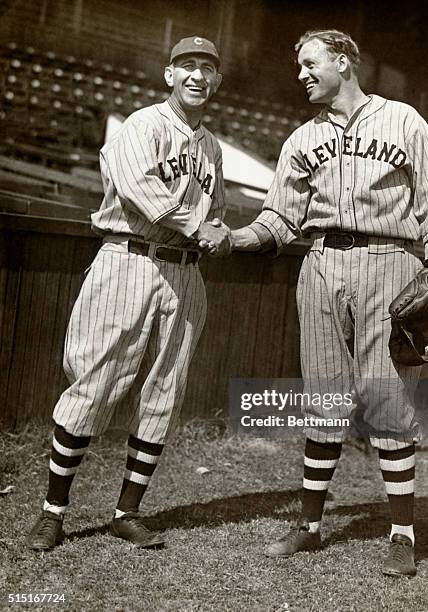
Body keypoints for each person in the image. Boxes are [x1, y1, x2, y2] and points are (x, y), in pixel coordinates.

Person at [231, 29, 428, 576]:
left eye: (310, 62)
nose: (301, 73)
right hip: (322, 261)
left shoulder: (404, 121)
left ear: (343, 60)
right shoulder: (300, 139)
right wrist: (235, 238)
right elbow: (281, 218)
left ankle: (402, 534)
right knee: (324, 395)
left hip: (391, 262)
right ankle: (309, 526)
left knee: (386, 399)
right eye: (298, 65)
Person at [27, 36, 231, 550]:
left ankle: (127, 512)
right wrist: (200, 227)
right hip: (129, 260)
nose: (197, 76)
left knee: (166, 390)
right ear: (168, 74)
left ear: (217, 81)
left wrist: (220, 230)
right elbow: (144, 193)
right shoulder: (142, 125)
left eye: (207, 68)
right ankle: (53, 511)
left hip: (185, 274)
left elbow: (218, 212)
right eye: (188, 65)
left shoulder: (211, 147)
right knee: (93, 384)